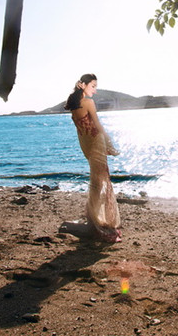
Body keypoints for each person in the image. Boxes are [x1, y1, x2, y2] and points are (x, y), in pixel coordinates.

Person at [65, 73, 121, 243]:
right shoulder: (88, 102)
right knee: (101, 181)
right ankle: (97, 221)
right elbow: (97, 125)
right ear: (84, 85)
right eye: (93, 86)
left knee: (97, 180)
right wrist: (109, 143)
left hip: (86, 144)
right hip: (96, 141)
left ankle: (94, 218)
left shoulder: (74, 104)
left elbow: (80, 129)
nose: (95, 91)